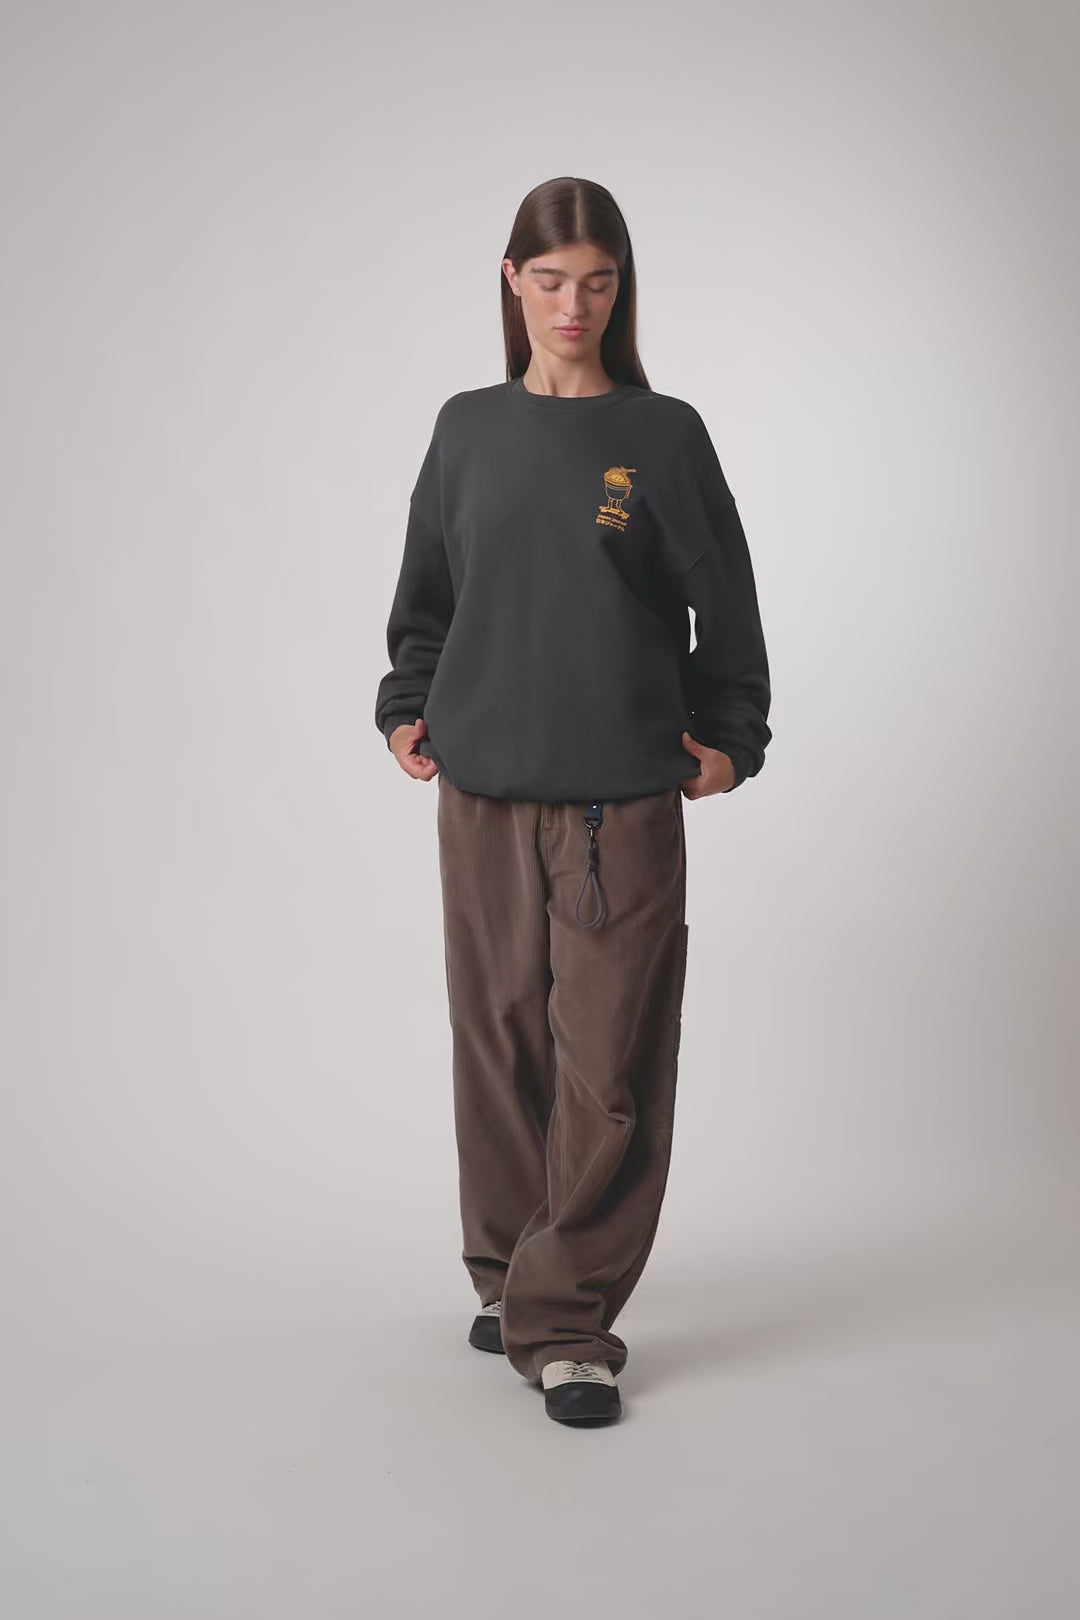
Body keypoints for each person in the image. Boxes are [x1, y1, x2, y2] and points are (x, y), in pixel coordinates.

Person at [374, 176, 772, 1427]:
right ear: (512, 280)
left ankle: (568, 1320)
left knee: (607, 1068)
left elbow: (728, 606)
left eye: (597, 282)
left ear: (620, 288)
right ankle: (510, 1276)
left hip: (619, 804)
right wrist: (408, 704)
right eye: (549, 281)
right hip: (482, 793)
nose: (571, 306)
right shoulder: (466, 429)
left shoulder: (662, 437)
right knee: (498, 1049)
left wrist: (731, 740)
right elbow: (429, 597)